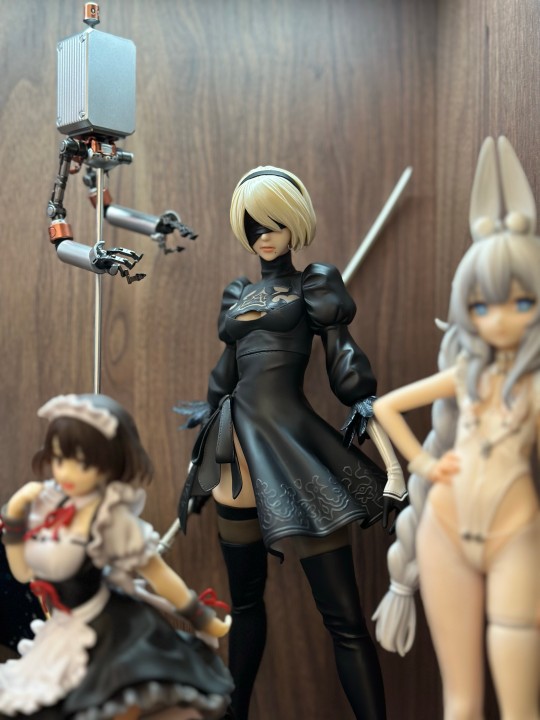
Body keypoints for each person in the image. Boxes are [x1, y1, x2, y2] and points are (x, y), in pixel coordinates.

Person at [177, 166, 407, 720]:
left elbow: (343, 364)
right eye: (254, 225)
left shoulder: (314, 285)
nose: (264, 235)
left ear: (294, 222)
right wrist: (201, 452)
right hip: (235, 456)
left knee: (343, 618)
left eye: (274, 223)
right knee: (245, 606)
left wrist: (369, 412)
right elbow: (223, 376)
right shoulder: (238, 294)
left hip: (291, 449)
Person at [373, 137, 540, 719]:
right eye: (482, 306)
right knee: (460, 700)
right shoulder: (466, 373)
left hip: (514, 530)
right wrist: (421, 464)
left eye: (521, 303)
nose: (500, 320)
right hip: (444, 524)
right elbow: (386, 407)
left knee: (520, 703)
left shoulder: (532, 387)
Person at [0, 393, 234, 720]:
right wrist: (14, 516)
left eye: (82, 462)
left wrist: (201, 617)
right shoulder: (48, 508)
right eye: (58, 458)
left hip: (113, 632)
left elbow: (158, 574)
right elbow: (23, 573)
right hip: (62, 631)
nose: (66, 472)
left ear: (111, 462)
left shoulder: (111, 520)